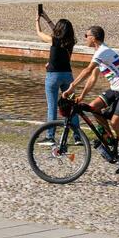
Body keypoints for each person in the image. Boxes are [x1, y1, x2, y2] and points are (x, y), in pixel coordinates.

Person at [64, 25, 119, 173]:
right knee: (93, 107)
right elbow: (92, 78)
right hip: (116, 89)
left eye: (86, 35)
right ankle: (110, 139)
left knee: (115, 122)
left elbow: (87, 71)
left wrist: (71, 87)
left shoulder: (103, 52)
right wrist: (82, 96)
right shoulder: (99, 54)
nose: (85, 38)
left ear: (93, 38)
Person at [35, 7, 76, 140]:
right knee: (71, 106)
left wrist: (37, 20)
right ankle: (77, 137)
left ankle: (50, 136)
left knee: (52, 107)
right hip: (68, 76)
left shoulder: (54, 40)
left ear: (58, 30)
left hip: (53, 76)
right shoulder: (71, 42)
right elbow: (58, 33)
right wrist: (47, 18)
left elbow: (39, 33)